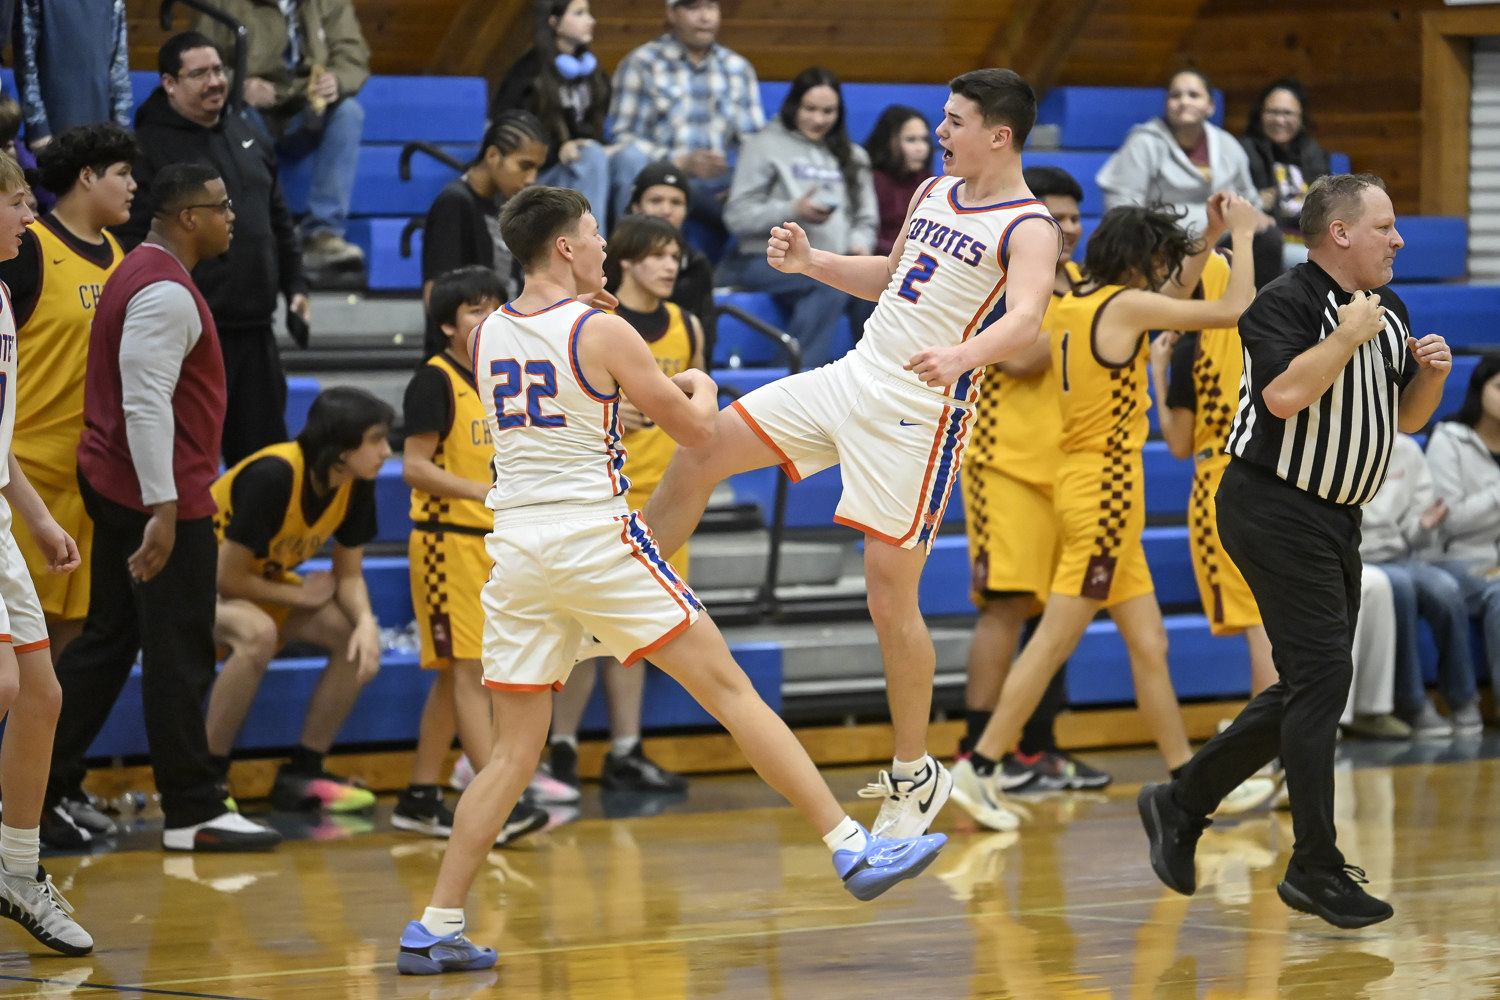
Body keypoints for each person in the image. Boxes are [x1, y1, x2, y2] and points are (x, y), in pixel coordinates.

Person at [394, 185, 947, 975]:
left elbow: (568, 414)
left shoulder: (485, 337)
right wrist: (700, 384)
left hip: (516, 554)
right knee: (730, 692)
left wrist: (621, 374)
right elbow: (696, 432)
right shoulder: (603, 329)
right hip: (594, 541)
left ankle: (436, 923)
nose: (600, 248)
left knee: (513, 755)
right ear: (565, 249)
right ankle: (852, 847)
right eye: (592, 236)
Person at [642, 69, 1062, 841]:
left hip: (920, 414)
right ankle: (620, 579)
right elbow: (893, 278)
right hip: (853, 376)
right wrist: (814, 263)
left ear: (998, 135)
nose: (941, 130)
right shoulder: (934, 193)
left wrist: (964, 356)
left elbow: (1029, 319)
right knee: (702, 443)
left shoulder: (1029, 225)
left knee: (886, 598)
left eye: (955, 119)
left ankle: (914, 773)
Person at [1137, 173, 1451, 930]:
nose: (1398, 239)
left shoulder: (1393, 309)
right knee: (1321, 677)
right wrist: (1346, 336)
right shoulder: (1285, 302)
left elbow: (1404, 419)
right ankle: (1313, 864)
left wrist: (1432, 379)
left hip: (1336, 518)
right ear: (1339, 233)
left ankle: (1181, 802)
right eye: (1384, 226)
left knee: (1310, 683)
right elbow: (1282, 397)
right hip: (1272, 506)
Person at [954, 196, 1260, 832]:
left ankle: (1187, 785)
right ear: (1137, 261)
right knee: (1057, 635)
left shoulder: (1077, 302)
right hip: (1106, 491)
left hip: (1082, 481)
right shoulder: (1124, 305)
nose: (1163, 273)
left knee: (1149, 644)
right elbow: (1233, 309)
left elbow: (1174, 291)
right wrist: (1247, 237)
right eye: (1157, 261)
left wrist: (1206, 234)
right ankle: (979, 766)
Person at [45, 162, 282, 853]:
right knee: (178, 649)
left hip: (125, 482)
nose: (232, 216)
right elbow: (145, 404)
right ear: (188, 219)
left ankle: (41, 781)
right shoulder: (163, 291)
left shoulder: (140, 269)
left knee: (109, 640)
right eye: (220, 206)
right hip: (153, 492)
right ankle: (192, 809)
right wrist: (165, 507)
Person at [956, 164, 1110, 800]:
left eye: (1076, 217)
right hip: (1004, 466)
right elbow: (1017, 357)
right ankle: (975, 751)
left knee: (1057, 614)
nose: (1069, 227)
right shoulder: (1002, 279)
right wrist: (1091, 324)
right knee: (1007, 606)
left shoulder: (1074, 283)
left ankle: (1036, 748)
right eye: (1057, 217)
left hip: (1067, 471)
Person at [543, 214, 701, 797]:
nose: (669, 265)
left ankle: (626, 750)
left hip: (668, 499)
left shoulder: (687, 324)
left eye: (675, 256)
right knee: (584, 633)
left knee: (643, 635)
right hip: (606, 497)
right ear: (627, 260)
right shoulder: (594, 321)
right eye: (658, 255)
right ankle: (562, 747)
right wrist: (613, 411)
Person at [396, 265, 549, 844]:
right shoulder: (433, 380)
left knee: (453, 678)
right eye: (474, 311)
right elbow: (414, 466)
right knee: (471, 672)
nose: (489, 319)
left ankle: (418, 794)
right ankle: (498, 800)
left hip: (492, 542)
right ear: (445, 325)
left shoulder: (498, 375)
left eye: (494, 307)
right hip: (445, 543)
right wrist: (482, 491)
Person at [118, 33, 311, 467]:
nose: (215, 82)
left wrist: (296, 283)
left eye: (219, 70)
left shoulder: (248, 133)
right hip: (190, 337)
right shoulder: (147, 148)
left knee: (263, 467)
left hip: (257, 332)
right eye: (199, 73)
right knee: (189, 467)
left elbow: (277, 217)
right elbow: (132, 237)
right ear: (169, 83)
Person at [205, 387, 390, 812]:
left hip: (259, 585)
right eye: (376, 439)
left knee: (349, 637)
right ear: (342, 449)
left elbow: (348, 574)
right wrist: (299, 596)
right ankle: (206, 778)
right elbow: (226, 578)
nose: (385, 450)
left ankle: (303, 770)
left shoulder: (355, 483)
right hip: (194, 587)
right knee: (258, 634)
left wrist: (366, 622)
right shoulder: (275, 475)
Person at [0, 151, 95, 957]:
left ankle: (18, 870)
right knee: (2, 679)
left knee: (41, 695)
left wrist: (31, 516)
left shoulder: (3, 293)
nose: (30, 218)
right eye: (17, 201)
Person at [0, 123, 133, 688]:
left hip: (88, 482)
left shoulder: (121, 255)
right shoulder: (29, 252)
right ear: (86, 176)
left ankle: (47, 778)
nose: (134, 186)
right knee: (19, 670)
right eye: (124, 173)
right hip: (28, 472)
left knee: (63, 656)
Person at [1152, 244, 1278, 717]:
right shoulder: (1268, 331)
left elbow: (1179, 444)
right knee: (1275, 620)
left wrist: (1158, 374)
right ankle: (1291, 748)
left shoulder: (1189, 346)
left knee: (1256, 625)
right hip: (1272, 478)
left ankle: (1268, 752)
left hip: (1220, 484)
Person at [719, 67, 878, 369]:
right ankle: (790, 382)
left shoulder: (853, 156)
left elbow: (865, 219)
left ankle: (872, 382)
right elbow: (737, 216)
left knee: (872, 290)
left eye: (828, 111)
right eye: (810, 109)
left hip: (831, 258)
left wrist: (859, 244)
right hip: (764, 259)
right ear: (794, 106)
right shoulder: (763, 146)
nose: (819, 119)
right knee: (827, 283)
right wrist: (795, 210)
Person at [196, 0, 370, 272]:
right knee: (236, 117)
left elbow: (352, 55)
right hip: (251, 106)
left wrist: (337, 79)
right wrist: (238, 85)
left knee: (348, 113)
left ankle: (323, 234)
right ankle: (255, 233)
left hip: (307, 105)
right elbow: (198, 60)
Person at [1096, 69, 1283, 287]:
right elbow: (1121, 205)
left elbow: (1247, 196)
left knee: (1268, 237)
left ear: (1211, 106)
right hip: (1166, 241)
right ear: (1166, 104)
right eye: (1175, 96)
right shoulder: (1143, 143)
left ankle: (1257, 313)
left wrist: (1257, 214)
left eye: (1193, 95)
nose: (1184, 102)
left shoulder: (1227, 144)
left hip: (1222, 235)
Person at [1359, 433, 1479, 737]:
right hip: (1356, 558)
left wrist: (1424, 527)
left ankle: (1462, 697)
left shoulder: (1408, 450)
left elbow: (1416, 529)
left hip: (1399, 556)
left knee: (1446, 589)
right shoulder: (1342, 445)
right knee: (1399, 588)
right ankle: (1411, 702)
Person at [607, 0, 764, 232]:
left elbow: (754, 143)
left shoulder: (738, 69)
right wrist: (679, 161)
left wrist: (745, 184)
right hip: (661, 177)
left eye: (712, 7)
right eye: (694, 8)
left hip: (720, 184)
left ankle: (757, 265)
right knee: (631, 164)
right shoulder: (642, 63)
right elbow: (623, 140)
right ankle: (631, 254)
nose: (705, 18)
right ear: (672, 13)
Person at [491, 0, 618, 234]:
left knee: (630, 158)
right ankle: (591, 253)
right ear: (554, 22)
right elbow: (508, 137)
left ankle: (631, 253)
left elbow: (592, 130)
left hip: (578, 167)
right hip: (539, 175)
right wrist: (556, 148)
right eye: (580, 13)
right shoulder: (527, 75)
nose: (591, 21)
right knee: (590, 157)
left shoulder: (591, 72)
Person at [420, 110, 549, 317]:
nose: (531, 179)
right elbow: (435, 297)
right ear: (493, 156)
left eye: (537, 169)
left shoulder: (505, 202)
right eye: (525, 166)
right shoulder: (454, 202)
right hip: (472, 346)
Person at [1425, 354, 1500, 693]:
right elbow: (1451, 519)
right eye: (1499, 387)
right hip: (1461, 560)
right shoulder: (1449, 438)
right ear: (1479, 390)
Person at [623, 160, 715, 362]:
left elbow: (704, 350)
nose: (666, 210)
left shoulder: (697, 265)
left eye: (676, 202)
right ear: (636, 207)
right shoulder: (605, 257)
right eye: (656, 201)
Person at [13, 0, 132, 148]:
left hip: (102, 127)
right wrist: (38, 128)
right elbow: (26, 62)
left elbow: (119, 66)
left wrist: (121, 127)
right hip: (54, 129)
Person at [1240, 79, 1330, 271]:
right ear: (1260, 115)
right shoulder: (1244, 151)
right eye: (1273, 112)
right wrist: (1255, 201)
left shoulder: (1314, 154)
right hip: (1268, 245)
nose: (1280, 120)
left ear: (1301, 117)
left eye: (1287, 113)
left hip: (1310, 242)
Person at [864, 105, 933, 258]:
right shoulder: (871, 179)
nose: (921, 148)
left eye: (924, 139)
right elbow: (867, 233)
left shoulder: (929, 181)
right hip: (878, 262)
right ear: (889, 141)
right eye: (911, 140)